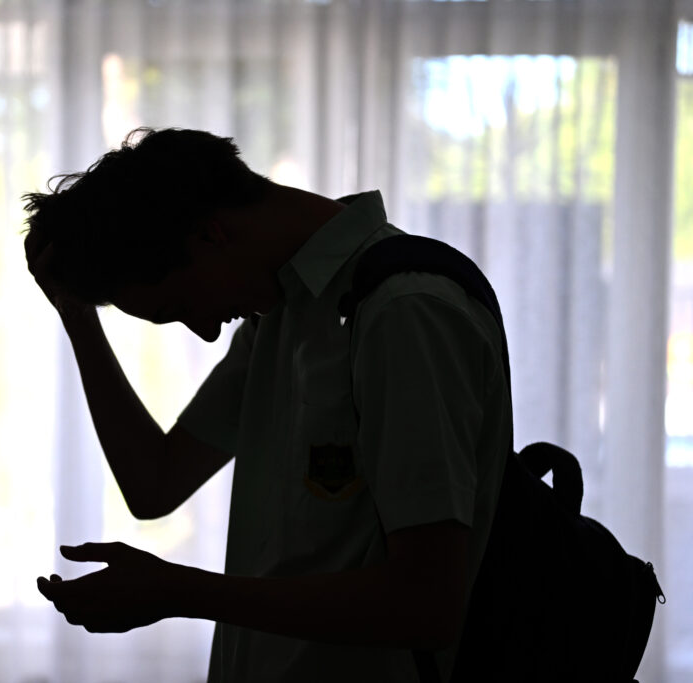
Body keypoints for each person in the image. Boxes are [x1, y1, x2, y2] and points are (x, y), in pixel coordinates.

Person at [25, 128, 512, 682]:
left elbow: (426, 605)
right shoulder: (280, 315)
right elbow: (154, 482)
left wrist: (178, 591)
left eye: (182, 304)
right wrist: (77, 315)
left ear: (209, 234)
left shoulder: (405, 311)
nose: (206, 331)